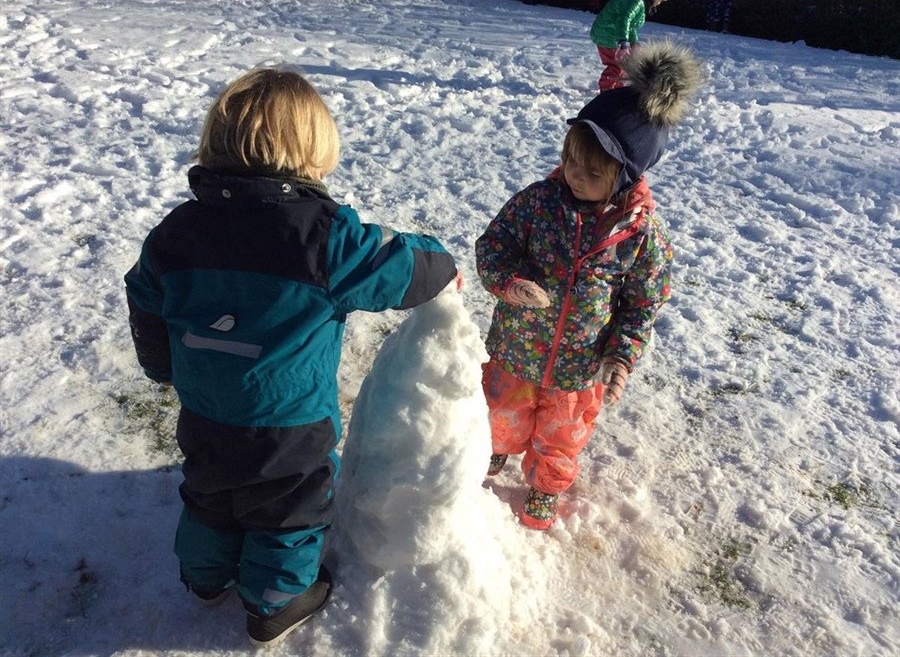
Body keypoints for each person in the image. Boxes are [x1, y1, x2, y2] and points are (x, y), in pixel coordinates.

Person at [124, 67, 459, 646]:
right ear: (309, 152)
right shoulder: (325, 237)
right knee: (289, 510)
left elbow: (146, 298)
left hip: (205, 410)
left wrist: (163, 368)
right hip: (290, 423)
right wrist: (443, 261)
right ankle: (275, 601)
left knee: (210, 491)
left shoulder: (175, 233)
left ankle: (204, 577)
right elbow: (402, 267)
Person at [475, 41, 703, 530]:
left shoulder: (642, 234)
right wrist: (508, 283)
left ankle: (544, 486)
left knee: (562, 434)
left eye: (592, 172)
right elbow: (494, 244)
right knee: (500, 412)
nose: (575, 176)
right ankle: (493, 452)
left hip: (580, 367)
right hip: (517, 347)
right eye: (571, 160)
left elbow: (642, 305)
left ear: (625, 176)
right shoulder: (539, 202)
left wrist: (620, 356)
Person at [590, 0, 676, 92]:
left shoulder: (636, 0)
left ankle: (616, 89)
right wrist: (623, 42)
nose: (658, 4)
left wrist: (634, 42)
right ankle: (606, 90)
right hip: (607, 34)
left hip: (610, 34)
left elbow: (630, 27)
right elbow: (623, 20)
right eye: (659, 1)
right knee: (617, 66)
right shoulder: (636, 2)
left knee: (622, 65)